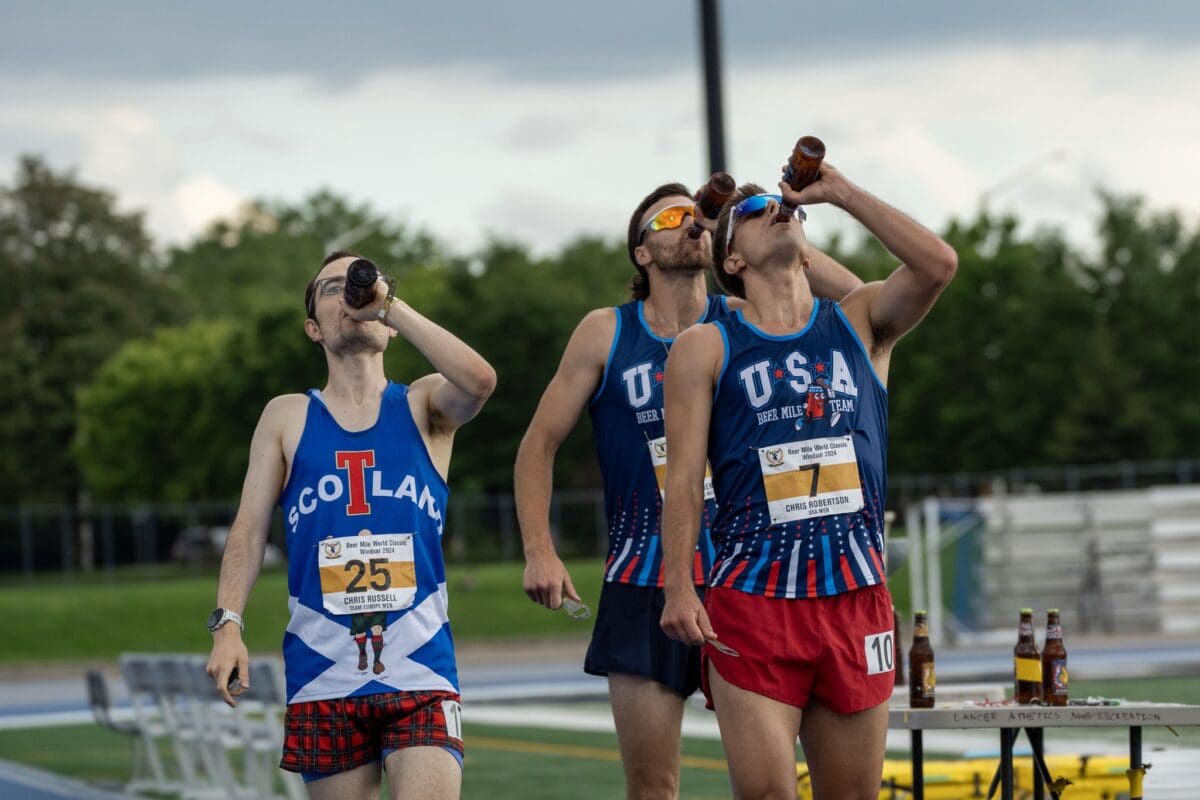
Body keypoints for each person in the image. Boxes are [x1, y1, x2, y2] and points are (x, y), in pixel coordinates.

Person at [515, 182, 862, 799]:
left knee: (768, 783)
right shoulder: (607, 332)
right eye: (671, 219)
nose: (690, 225)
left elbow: (853, 297)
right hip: (645, 583)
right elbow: (537, 445)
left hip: (746, 581)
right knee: (654, 787)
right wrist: (540, 548)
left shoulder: (739, 321)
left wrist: (774, 232)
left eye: (697, 219)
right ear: (641, 252)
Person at [659, 165, 957, 799]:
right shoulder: (706, 347)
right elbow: (683, 483)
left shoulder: (858, 321)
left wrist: (840, 193)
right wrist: (680, 587)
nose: (778, 208)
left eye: (785, 206)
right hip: (753, 598)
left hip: (855, 594)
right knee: (769, 793)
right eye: (759, 209)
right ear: (732, 258)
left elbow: (938, 265)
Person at [206, 252, 496, 800]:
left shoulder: (423, 402)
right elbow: (247, 532)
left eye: (359, 285)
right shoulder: (287, 416)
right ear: (313, 327)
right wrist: (228, 625)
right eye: (330, 288)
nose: (349, 295)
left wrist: (391, 307)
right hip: (322, 673)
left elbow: (480, 380)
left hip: (420, 668)